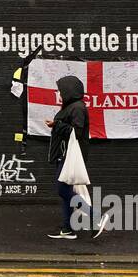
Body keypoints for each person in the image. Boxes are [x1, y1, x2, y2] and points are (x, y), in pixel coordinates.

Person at [45, 75, 111, 240]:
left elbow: (77, 131)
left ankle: (96, 217)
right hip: (64, 155)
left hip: (69, 156)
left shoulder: (77, 108)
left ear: (68, 91)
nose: (58, 93)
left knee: (63, 189)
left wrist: (58, 125)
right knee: (66, 191)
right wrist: (56, 124)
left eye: (60, 90)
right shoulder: (70, 107)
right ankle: (67, 229)